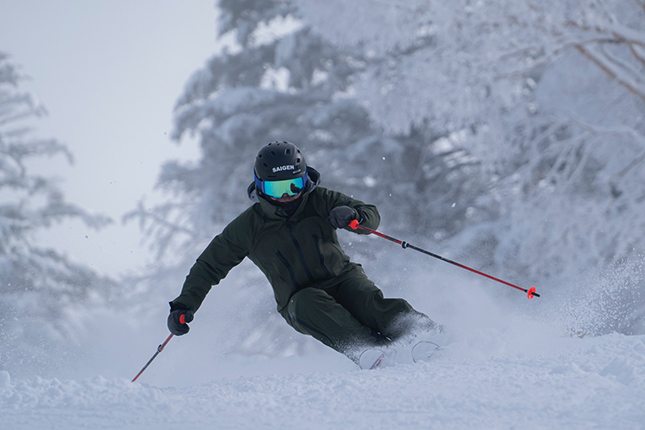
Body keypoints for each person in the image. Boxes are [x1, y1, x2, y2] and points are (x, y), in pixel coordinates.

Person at [167, 141, 439, 363]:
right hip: (297, 299)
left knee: (368, 302)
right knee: (312, 303)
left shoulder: (320, 200)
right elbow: (208, 266)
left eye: (294, 185)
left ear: (304, 179)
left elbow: (371, 215)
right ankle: (370, 350)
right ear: (261, 186)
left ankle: (424, 334)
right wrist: (184, 305)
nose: (287, 195)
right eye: (277, 188)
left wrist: (354, 215)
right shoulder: (248, 227)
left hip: (342, 278)